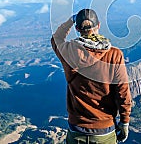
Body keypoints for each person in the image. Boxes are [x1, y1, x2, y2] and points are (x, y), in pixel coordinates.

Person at [51, 8, 132, 144]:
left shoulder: (68, 52)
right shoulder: (114, 55)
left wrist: (71, 20)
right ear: (98, 25)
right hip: (104, 132)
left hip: (76, 130)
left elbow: (56, 38)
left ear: (77, 29)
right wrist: (124, 122)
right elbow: (123, 92)